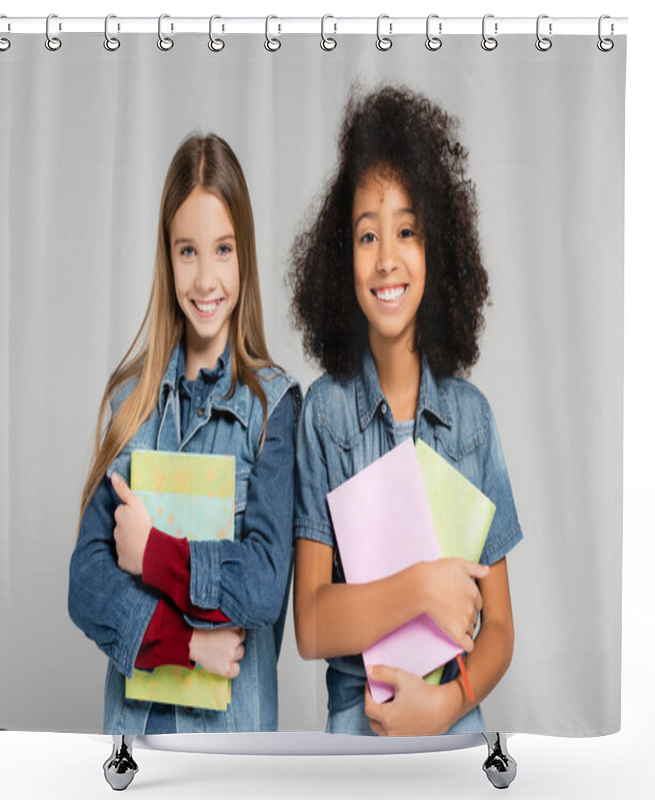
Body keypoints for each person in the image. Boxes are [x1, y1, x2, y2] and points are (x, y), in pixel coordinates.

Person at [290, 86, 523, 736]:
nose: (387, 257)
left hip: (457, 726)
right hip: (357, 731)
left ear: (437, 251)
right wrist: (422, 588)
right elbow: (309, 625)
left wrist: (448, 704)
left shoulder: (472, 421)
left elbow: (500, 628)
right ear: (341, 259)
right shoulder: (325, 416)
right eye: (368, 235)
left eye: (408, 232)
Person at [68, 133, 300, 734]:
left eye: (222, 249)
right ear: (166, 259)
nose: (204, 278)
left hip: (235, 755)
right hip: (139, 744)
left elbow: (264, 587)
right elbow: (85, 583)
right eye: (187, 251)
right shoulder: (131, 404)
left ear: (243, 255)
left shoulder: (274, 408)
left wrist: (154, 554)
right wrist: (185, 644)